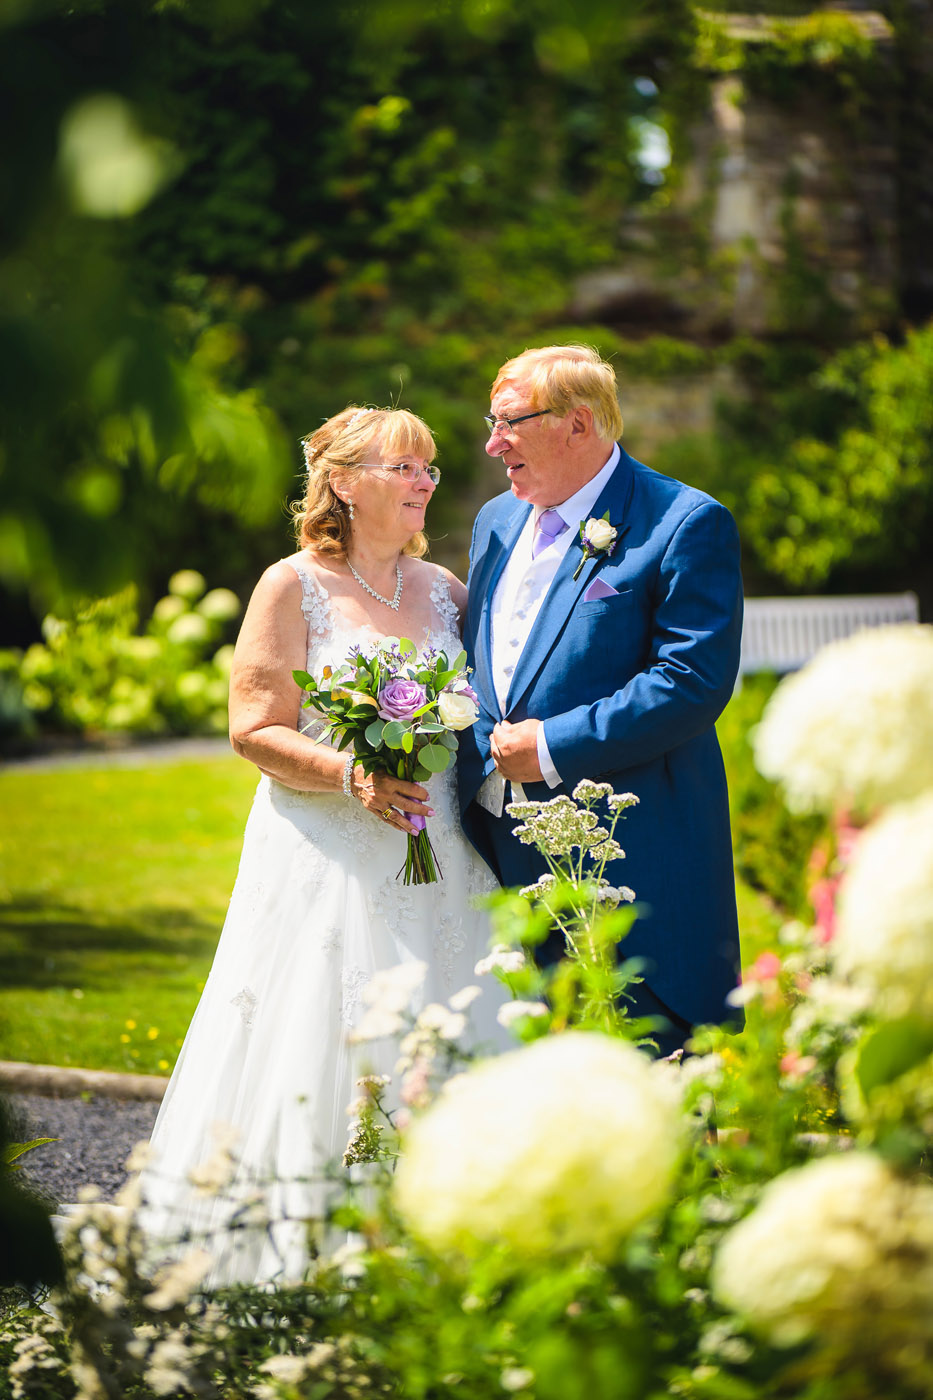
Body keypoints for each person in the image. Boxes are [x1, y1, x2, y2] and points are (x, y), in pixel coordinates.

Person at [140, 406, 504, 1286]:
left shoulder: (446, 591)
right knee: (322, 1026)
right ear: (343, 482)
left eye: (430, 469)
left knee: (453, 1019)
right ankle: (306, 1246)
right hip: (326, 852)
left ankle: (456, 1236)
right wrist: (354, 776)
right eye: (404, 466)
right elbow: (252, 728)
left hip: (436, 850)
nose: (425, 482)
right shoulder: (291, 583)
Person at [458, 345, 744, 1053]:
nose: (493, 444)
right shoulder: (495, 520)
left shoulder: (682, 521)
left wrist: (550, 747)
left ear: (575, 423)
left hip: (629, 844)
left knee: (648, 1048)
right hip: (496, 840)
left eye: (508, 424)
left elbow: (689, 681)